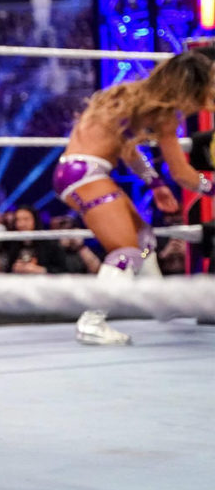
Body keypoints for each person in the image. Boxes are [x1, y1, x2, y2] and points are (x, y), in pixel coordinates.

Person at [53, 47, 215, 345]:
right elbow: (182, 173)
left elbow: (127, 149)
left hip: (75, 171)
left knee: (142, 240)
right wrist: (211, 187)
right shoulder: (164, 114)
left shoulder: (127, 95)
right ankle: (92, 322)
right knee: (125, 252)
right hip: (87, 177)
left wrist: (154, 183)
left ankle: (159, 302)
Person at [0, 205, 68, 274]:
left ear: (35, 220)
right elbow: (4, 270)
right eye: (18, 220)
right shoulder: (10, 243)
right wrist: (14, 269)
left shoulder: (50, 243)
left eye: (26, 219)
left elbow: (63, 270)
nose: (21, 224)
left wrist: (40, 270)